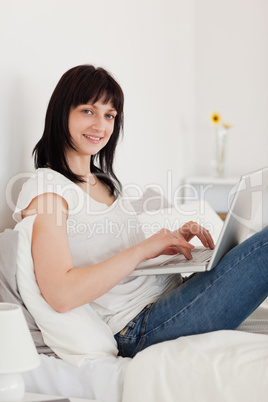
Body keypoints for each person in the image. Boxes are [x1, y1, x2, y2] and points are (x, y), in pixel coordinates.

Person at [14, 64, 268, 359]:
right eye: (88, 111)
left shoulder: (104, 183)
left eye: (109, 115)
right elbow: (61, 294)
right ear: (62, 113)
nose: (100, 125)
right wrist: (143, 250)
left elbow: (116, 261)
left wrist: (166, 247)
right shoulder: (48, 190)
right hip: (138, 327)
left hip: (170, 297)